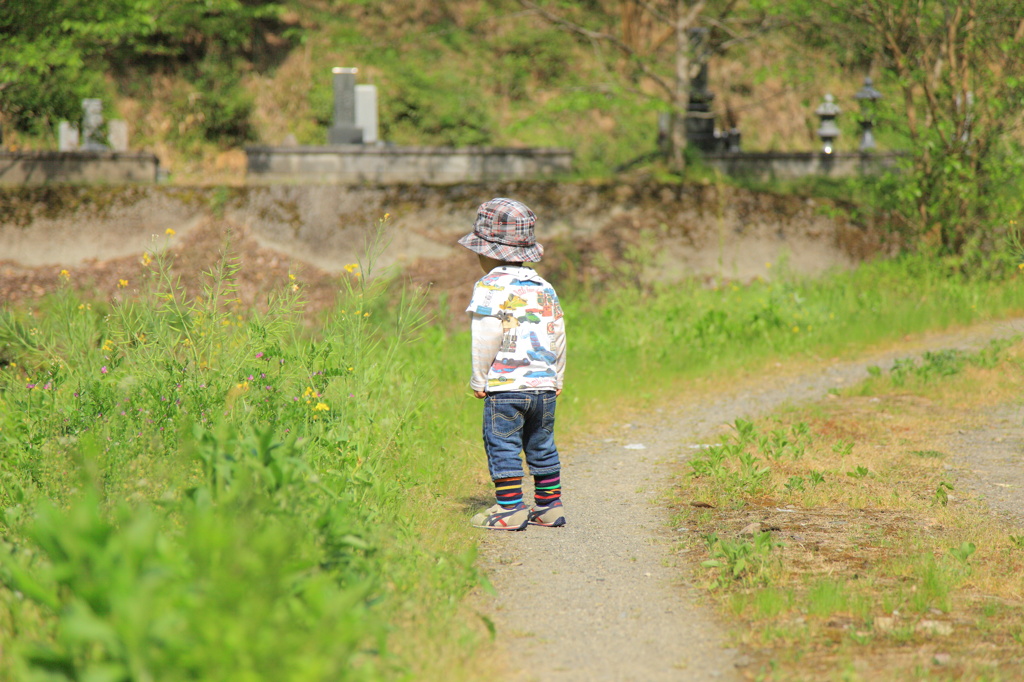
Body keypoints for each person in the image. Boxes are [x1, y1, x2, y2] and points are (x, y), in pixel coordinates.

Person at [458, 197, 567, 531]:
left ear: (487, 252)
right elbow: (557, 333)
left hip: (506, 388)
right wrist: (557, 375)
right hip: (544, 387)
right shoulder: (544, 287)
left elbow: (486, 336)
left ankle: (510, 509)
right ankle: (549, 507)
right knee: (542, 443)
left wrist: (480, 379)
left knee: (503, 444)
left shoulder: (490, 286)